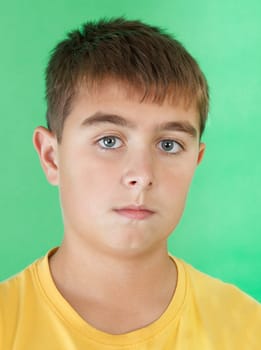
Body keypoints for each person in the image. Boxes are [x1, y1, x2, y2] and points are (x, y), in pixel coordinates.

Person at [0, 17, 260, 349]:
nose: (142, 174)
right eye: (109, 141)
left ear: (196, 161)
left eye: (169, 145)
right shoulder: (7, 322)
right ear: (52, 158)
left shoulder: (246, 329)